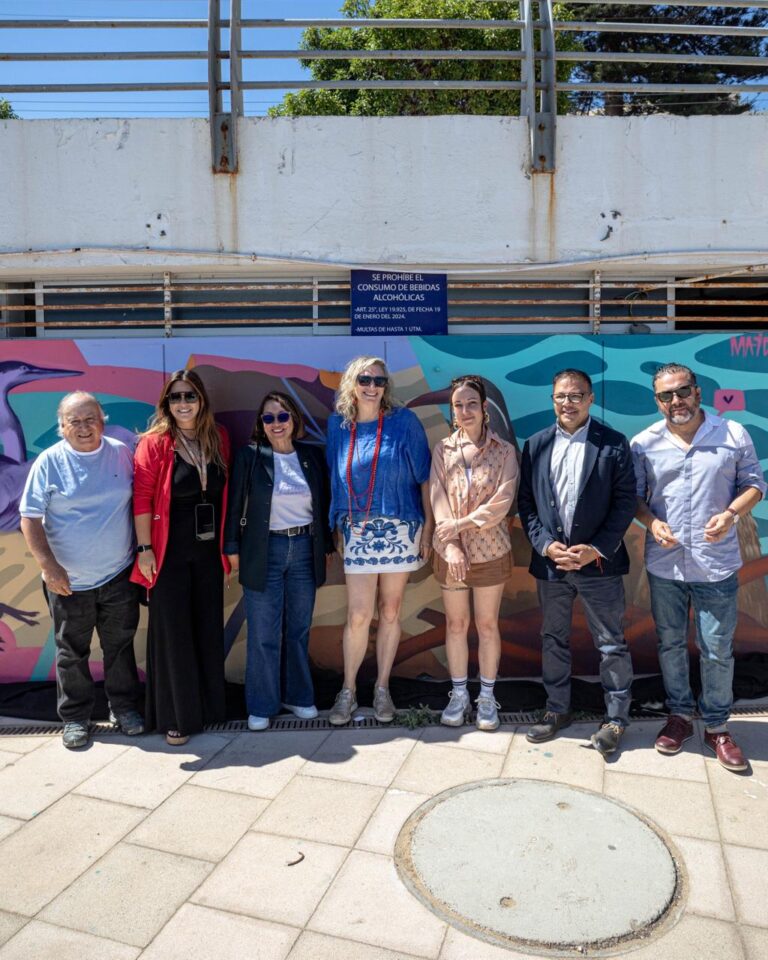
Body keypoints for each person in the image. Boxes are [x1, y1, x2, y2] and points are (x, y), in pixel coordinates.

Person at [632, 363, 765, 772]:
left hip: (716, 565)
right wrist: (652, 523)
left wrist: (730, 515)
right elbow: (635, 499)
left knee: (717, 648)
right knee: (670, 643)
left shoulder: (732, 434)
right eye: (666, 395)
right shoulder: (643, 443)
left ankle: (717, 725)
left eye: (683, 391)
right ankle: (678, 716)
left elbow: (755, 485)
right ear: (657, 402)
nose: (676, 401)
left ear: (698, 391)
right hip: (666, 565)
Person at [518, 369, 636, 756]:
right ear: (552, 399)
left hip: (598, 566)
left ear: (590, 399)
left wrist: (596, 549)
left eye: (575, 396)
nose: (567, 403)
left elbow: (625, 503)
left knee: (611, 643)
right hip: (552, 566)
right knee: (553, 639)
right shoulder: (536, 445)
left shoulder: (613, 444)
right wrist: (546, 546)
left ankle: (615, 719)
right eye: (560, 396)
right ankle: (557, 710)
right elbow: (526, 505)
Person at [19, 392, 143, 749]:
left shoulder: (121, 453)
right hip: (67, 582)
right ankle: (75, 718)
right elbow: (29, 518)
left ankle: (123, 708)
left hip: (118, 574)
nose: (84, 427)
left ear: (103, 421)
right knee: (71, 651)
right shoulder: (49, 462)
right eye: (75, 421)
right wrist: (49, 567)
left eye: (91, 419)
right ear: (62, 427)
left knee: (120, 646)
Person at [325, 355, 433, 725]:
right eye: (365, 380)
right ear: (351, 384)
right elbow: (333, 477)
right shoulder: (339, 426)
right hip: (357, 528)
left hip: (400, 526)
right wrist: (337, 525)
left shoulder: (404, 422)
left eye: (379, 381)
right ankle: (348, 690)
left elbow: (425, 477)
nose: (372, 387)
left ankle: (382, 688)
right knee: (358, 614)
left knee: (389, 610)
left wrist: (428, 529)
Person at [131, 369, 230, 746]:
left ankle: (208, 708)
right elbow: (142, 500)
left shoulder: (218, 437)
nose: (183, 403)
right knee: (173, 633)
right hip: (167, 551)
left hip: (207, 551)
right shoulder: (155, 443)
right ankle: (176, 716)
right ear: (166, 404)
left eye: (190, 395)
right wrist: (145, 550)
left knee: (207, 627)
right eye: (175, 397)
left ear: (201, 399)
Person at [224, 391, 333, 731]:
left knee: (298, 630)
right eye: (268, 418)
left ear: (294, 420)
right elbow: (235, 503)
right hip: (264, 551)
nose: (276, 423)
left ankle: (298, 696)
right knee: (263, 633)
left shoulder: (311, 456)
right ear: (261, 424)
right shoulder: (250, 456)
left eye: (282, 416)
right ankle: (262, 704)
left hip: (304, 549)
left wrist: (327, 546)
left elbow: (324, 502)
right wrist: (231, 547)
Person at [429, 375, 518, 732]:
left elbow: (502, 502)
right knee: (455, 624)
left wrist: (460, 524)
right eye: (458, 405)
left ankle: (487, 697)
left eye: (471, 404)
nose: (465, 411)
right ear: (452, 411)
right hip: (450, 554)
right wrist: (450, 544)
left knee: (486, 624)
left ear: (484, 408)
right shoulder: (443, 450)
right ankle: (459, 694)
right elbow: (437, 497)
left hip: (491, 551)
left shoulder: (504, 451)